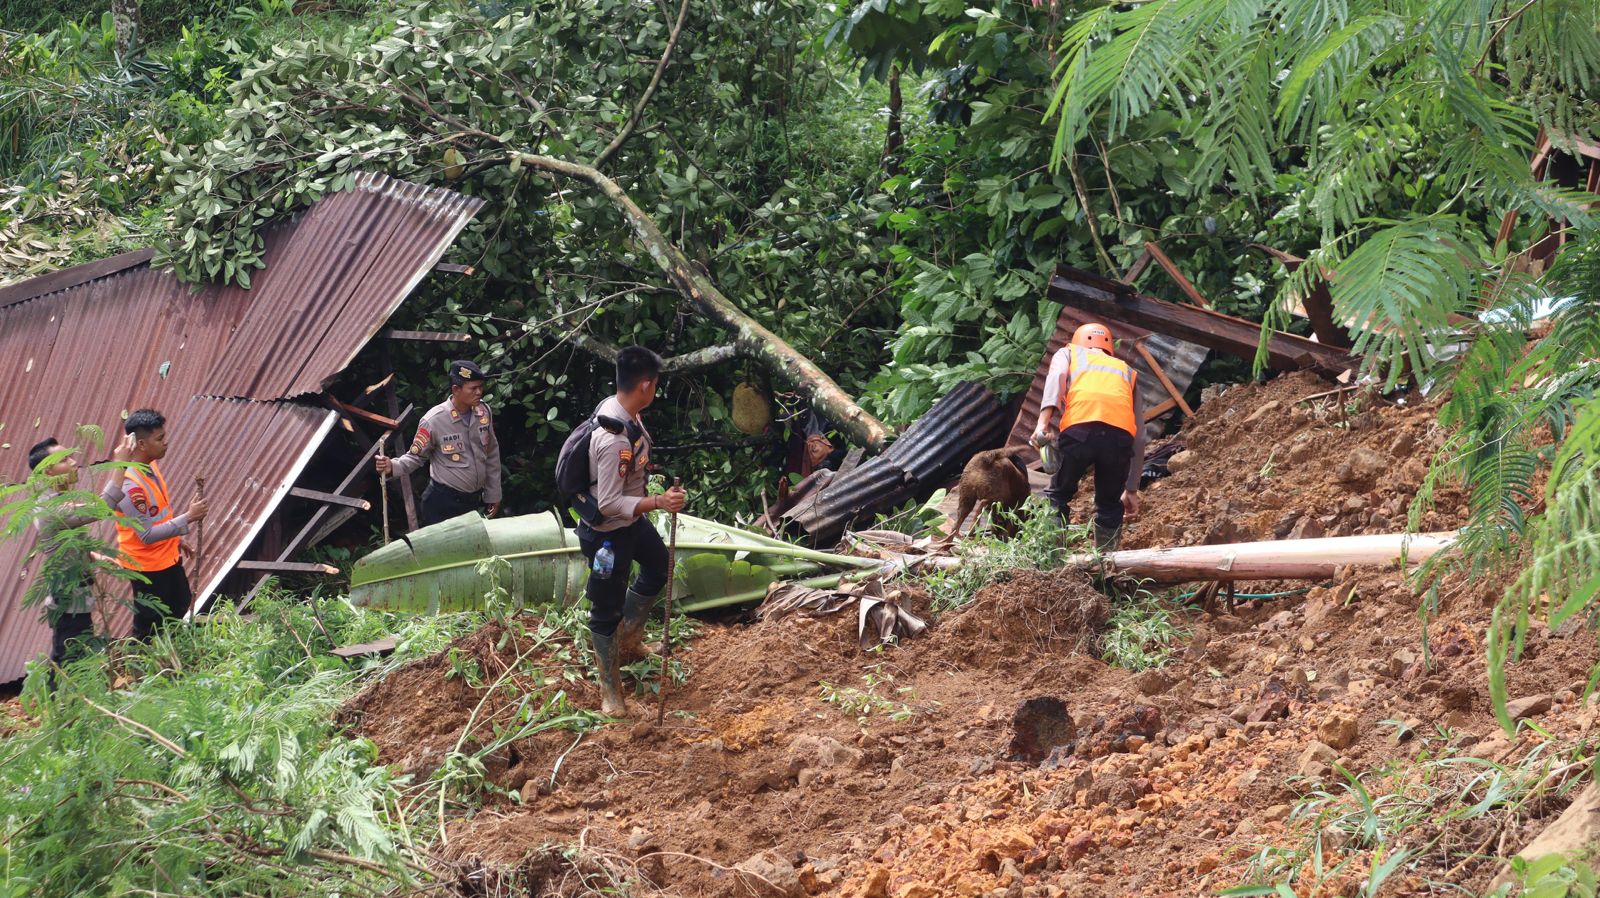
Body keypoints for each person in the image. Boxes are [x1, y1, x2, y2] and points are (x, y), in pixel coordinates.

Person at [578, 346, 687, 717]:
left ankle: (630, 640)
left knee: (659, 565)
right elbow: (608, 502)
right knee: (605, 609)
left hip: (632, 522)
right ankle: (610, 690)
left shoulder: (627, 414)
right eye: (655, 384)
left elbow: (631, 473)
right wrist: (658, 503)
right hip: (608, 532)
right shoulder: (612, 439)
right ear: (645, 385)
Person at [27, 433, 135, 675]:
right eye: (65, 460)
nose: (74, 462)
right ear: (47, 472)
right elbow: (102, 507)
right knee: (70, 660)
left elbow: (65, 543)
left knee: (73, 655)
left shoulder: (59, 500)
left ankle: (62, 702)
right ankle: (59, 705)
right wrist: (121, 465)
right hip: (68, 599)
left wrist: (93, 556)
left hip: (75, 594)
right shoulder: (51, 508)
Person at [1032, 322, 1147, 551]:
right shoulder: (1126, 370)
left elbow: (1057, 376)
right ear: (1109, 348)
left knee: (1058, 494)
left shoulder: (1069, 353)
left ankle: (1052, 562)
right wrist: (1132, 489)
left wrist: (1043, 423)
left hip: (1079, 430)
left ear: (1078, 340)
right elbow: (1141, 436)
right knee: (1109, 504)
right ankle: (1106, 569)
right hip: (1119, 440)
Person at [114, 409, 209, 639]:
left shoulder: (151, 466)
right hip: (146, 567)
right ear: (142, 445)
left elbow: (158, 514)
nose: (166, 443)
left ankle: (172, 656)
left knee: (180, 603)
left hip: (166, 556)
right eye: (160, 439)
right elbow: (146, 534)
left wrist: (176, 538)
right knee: (148, 625)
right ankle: (139, 668)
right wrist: (188, 517)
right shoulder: (130, 486)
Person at [376, 359, 502, 526]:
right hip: (442, 504)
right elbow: (416, 457)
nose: (479, 392)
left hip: (472, 502)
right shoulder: (433, 420)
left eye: (480, 387)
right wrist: (392, 466)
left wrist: (493, 495)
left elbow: (492, 454)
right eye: (473, 388)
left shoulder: (483, 412)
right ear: (456, 390)